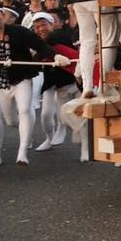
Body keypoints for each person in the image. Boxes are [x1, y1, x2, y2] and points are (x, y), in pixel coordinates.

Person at [0, 6, 69, 166]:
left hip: (22, 78)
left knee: (24, 109)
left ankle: (22, 152)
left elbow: (39, 44)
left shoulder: (18, 31)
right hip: (1, 82)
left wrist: (55, 55)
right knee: (10, 121)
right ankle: (22, 135)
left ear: (3, 15)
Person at [29, 12, 79, 152]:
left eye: (43, 25)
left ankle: (65, 130)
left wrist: (37, 51)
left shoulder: (60, 36)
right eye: (36, 27)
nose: (40, 29)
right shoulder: (35, 40)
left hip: (69, 79)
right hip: (50, 82)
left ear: (52, 24)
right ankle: (49, 138)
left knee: (69, 115)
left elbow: (44, 47)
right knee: (45, 114)